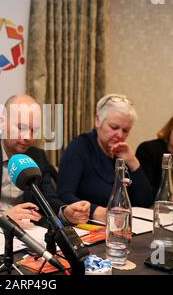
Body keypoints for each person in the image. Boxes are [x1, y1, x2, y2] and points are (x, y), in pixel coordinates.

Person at [0, 94, 90, 229]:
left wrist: (65, 212)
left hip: (20, 237)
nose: (28, 137)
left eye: (34, 130)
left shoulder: (37, 157)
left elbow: (47, 199)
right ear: (2, 123)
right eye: (21, 127)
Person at [57, 94, 153, 223]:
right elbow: (63, 195)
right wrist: (95, 211)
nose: (119, 135)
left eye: (125, 130)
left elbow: (145, 200)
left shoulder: (123, 153)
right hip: (88, 225)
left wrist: (133, 162)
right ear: (98, 121)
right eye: (114, 127)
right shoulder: (80, 147)